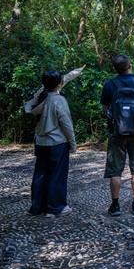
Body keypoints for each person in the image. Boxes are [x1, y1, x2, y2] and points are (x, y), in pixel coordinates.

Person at [100, 54, 134, 216]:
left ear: (115, 68)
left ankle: (115, 205)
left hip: (116, 132)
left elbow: (105, 109)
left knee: (115, 170)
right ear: (130, 65)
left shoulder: (109, 84)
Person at [25, 70, 77, 217]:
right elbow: (66, 124)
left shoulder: (40, 98)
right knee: (57, 175)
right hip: (57, 143)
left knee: (40, 174)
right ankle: (56, 207)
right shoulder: (59, 100)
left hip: (40, 143)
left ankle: (37, 207)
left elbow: (50, 85)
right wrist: (73, 143)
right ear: (60, 84)